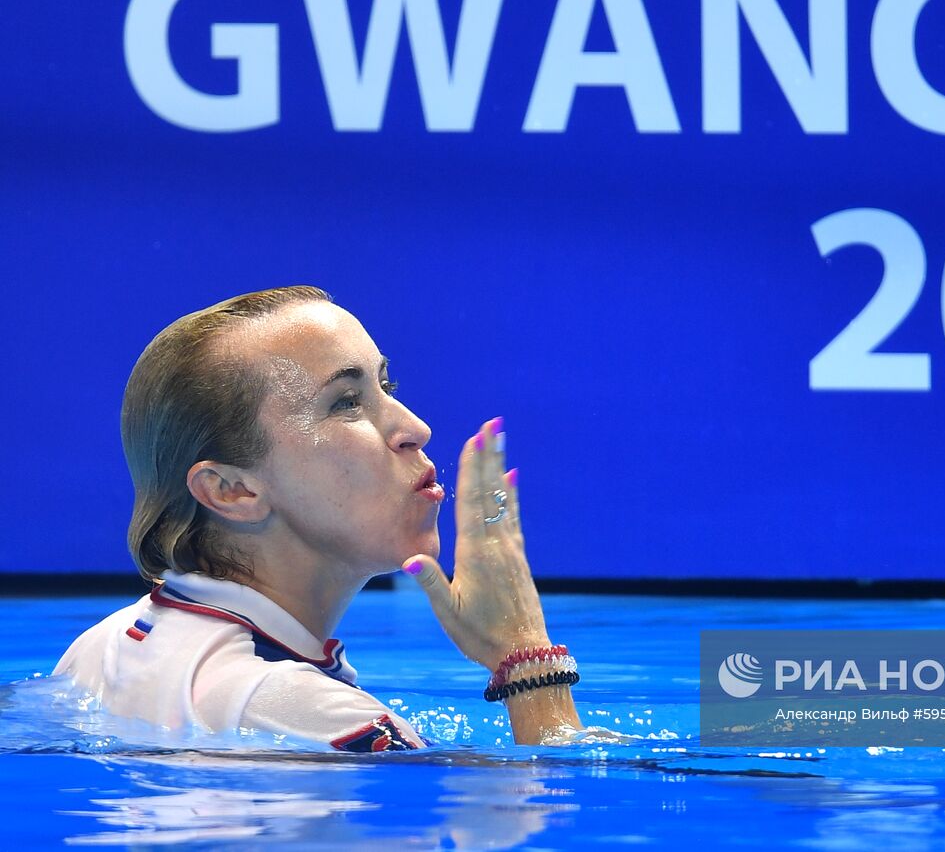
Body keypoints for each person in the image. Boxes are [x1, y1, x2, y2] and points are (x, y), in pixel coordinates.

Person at [54, 286, 582, 750]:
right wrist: (526, 656)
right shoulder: (320, 721)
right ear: (232, 490)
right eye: (346, 403)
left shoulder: (95, 652)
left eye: (385, 387)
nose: (415, 428)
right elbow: (552, 815)